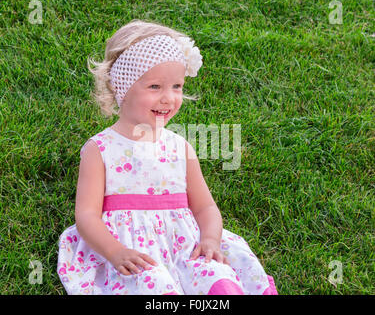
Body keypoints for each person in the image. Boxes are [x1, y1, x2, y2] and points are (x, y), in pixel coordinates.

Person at [57, 19, 278, 295]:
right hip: (133, 251)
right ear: (121, 88)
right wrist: (116, 252)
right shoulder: (100, 148)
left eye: (177, 86)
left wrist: (210, 239)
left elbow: (205, 207)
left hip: (186, 246)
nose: (169, 98)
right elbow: (87, 215)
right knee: (152, 284)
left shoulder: (180, 146)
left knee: (216, 279)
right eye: (155, 87)